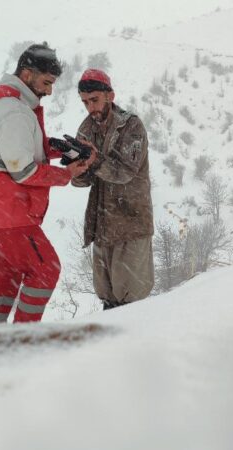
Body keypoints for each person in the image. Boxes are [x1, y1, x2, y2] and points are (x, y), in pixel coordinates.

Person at [0, 42, 94, 324]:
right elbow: (23, 172)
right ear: (26, 74)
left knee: (3, 277)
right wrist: (67, 174)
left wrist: (57, 148)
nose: (49, 91)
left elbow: (13, 151)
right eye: (47, 82)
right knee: (46, 269)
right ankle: (23, 340)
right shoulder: (14, 112)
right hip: (9, 216)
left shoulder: (2, 105)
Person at [71, 68, 154, 310]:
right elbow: (83, 181)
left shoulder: (131, 126)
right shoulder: (87, 128)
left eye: (94, 100)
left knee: (132, 301)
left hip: (131, 224)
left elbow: (125, 172)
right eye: (85, 102)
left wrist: (94, 160)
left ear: (110, 96)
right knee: (107, 300)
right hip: (102, 228)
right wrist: (75, 169)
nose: (90, 107)